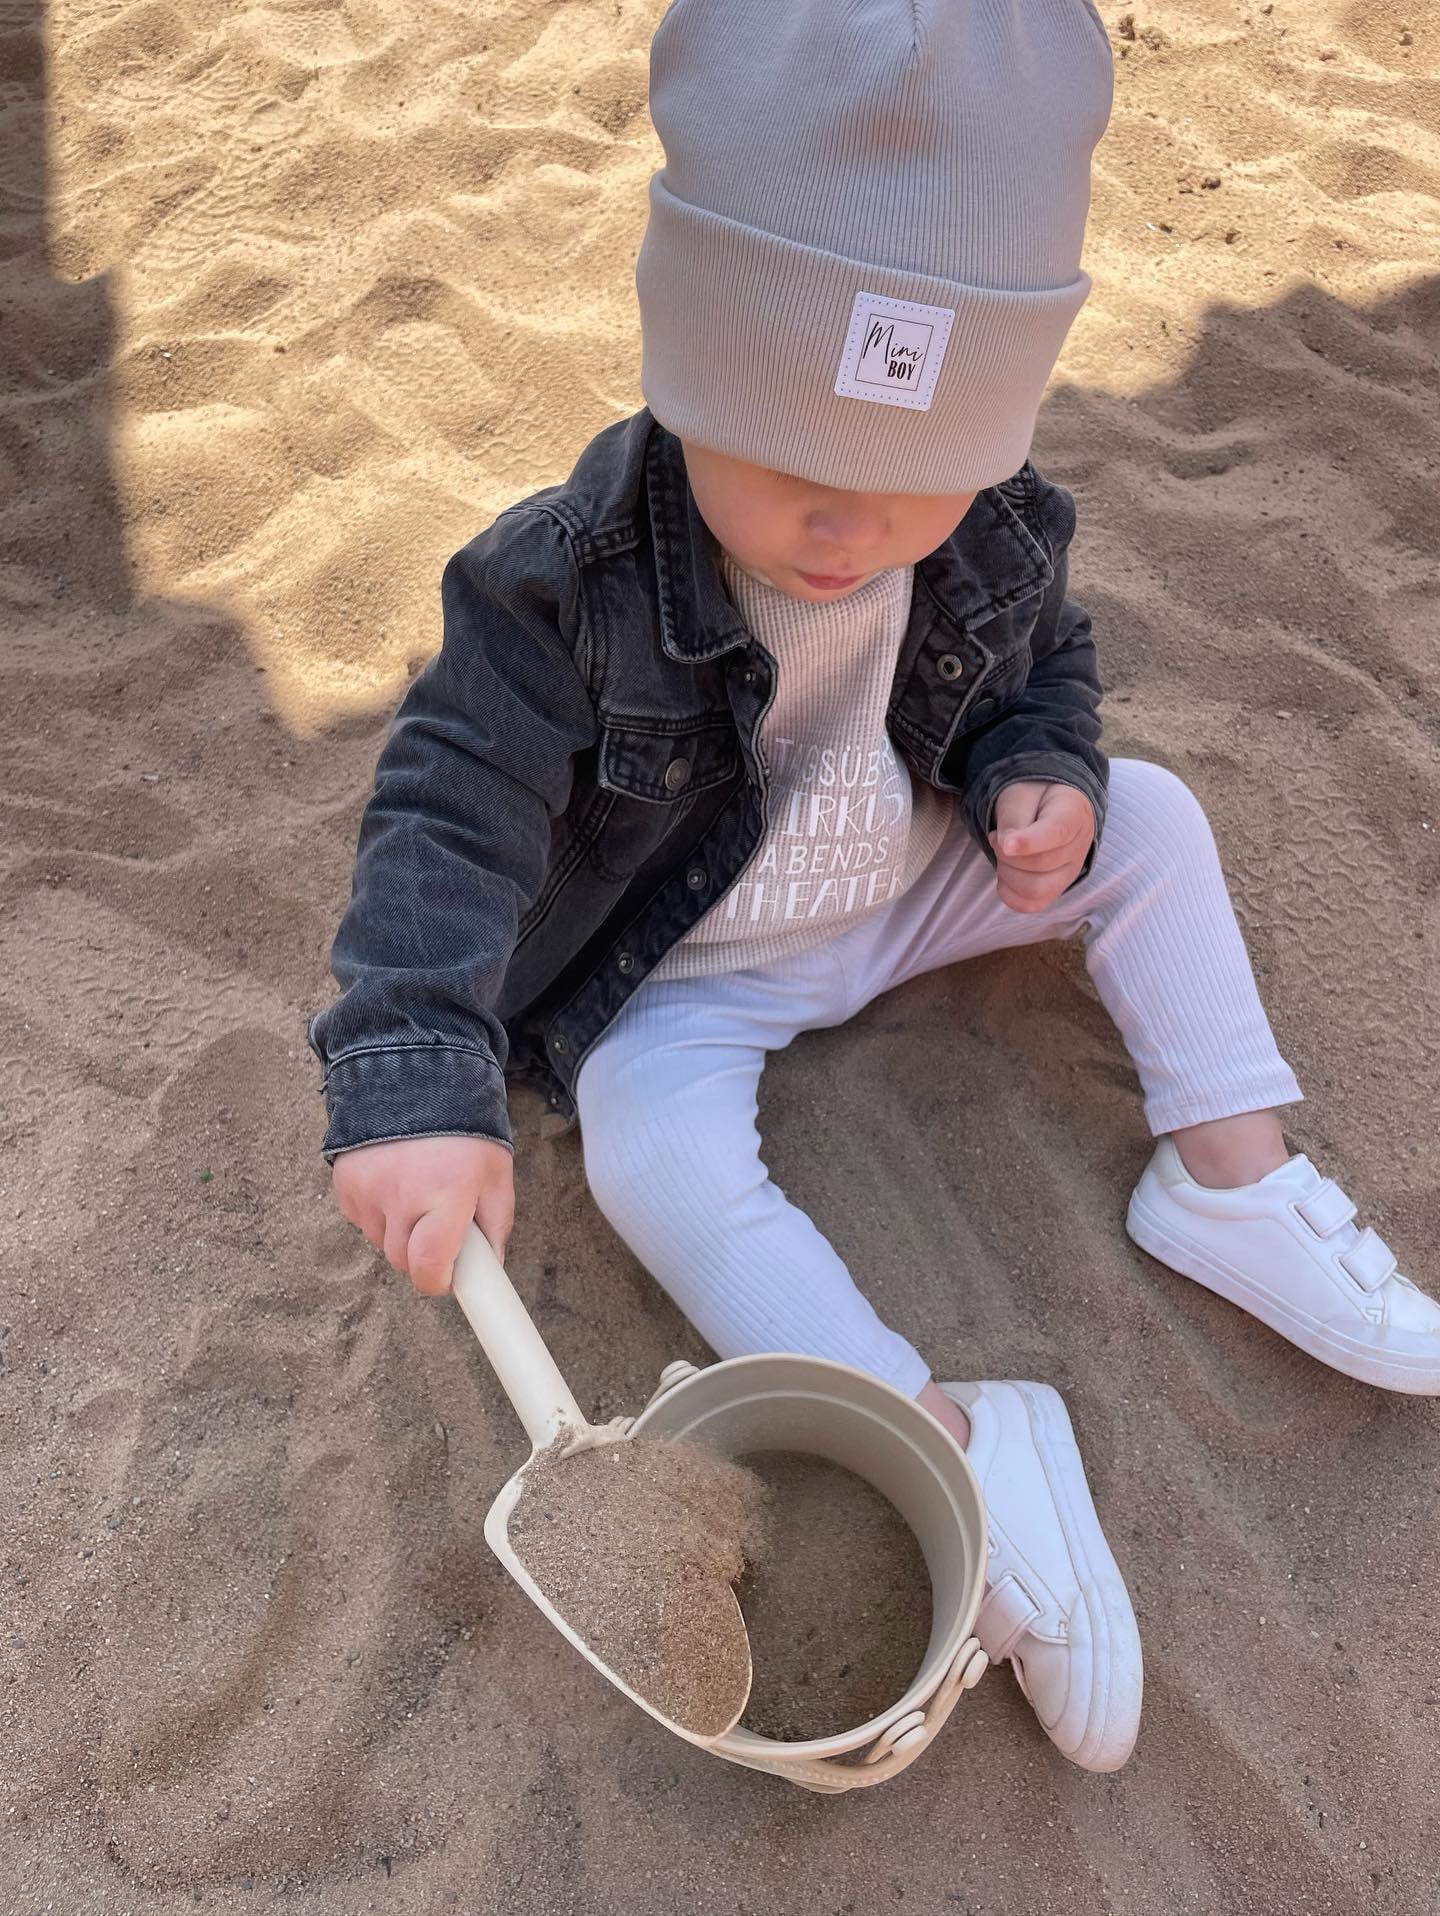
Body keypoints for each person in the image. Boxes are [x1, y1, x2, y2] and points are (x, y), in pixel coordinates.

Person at [309, 0, 1438, 1775]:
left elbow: (1039, 663)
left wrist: (1035, 778)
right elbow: (448, 813)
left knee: (1154, 821)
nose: (850, 533)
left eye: (909, 487)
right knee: (651, 1152)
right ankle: (948, 1442)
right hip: (682, 969)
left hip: (908, 881)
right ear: (688, 368)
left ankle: (1232, 1182)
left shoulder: (982, 513)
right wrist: (415, 1085)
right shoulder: (566, 582)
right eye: (790, 472)